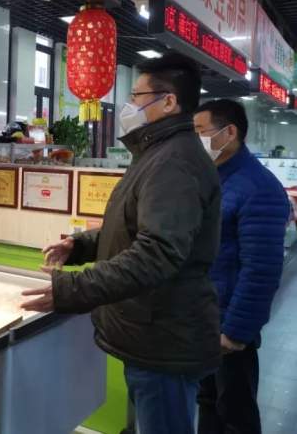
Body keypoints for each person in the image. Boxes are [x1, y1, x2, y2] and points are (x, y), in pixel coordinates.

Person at [21, 53, 222, 434]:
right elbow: (132, 227)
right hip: (154, 329)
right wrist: (81, 246)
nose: (129, 106)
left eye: (137, 96)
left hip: (164, 337)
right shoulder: (158, 153)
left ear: (168, 101)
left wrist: (72, 288)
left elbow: (157, 253)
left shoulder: (174, 162)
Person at [194, 99, 289, 434]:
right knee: (208, 401)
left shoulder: (259, 188)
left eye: (200, 131)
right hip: (204, 318)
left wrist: (236, 332)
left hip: (229, 325)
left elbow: (261, 270)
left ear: (229, 132)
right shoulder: (213, 178)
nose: (195, 140)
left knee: (235, 413)